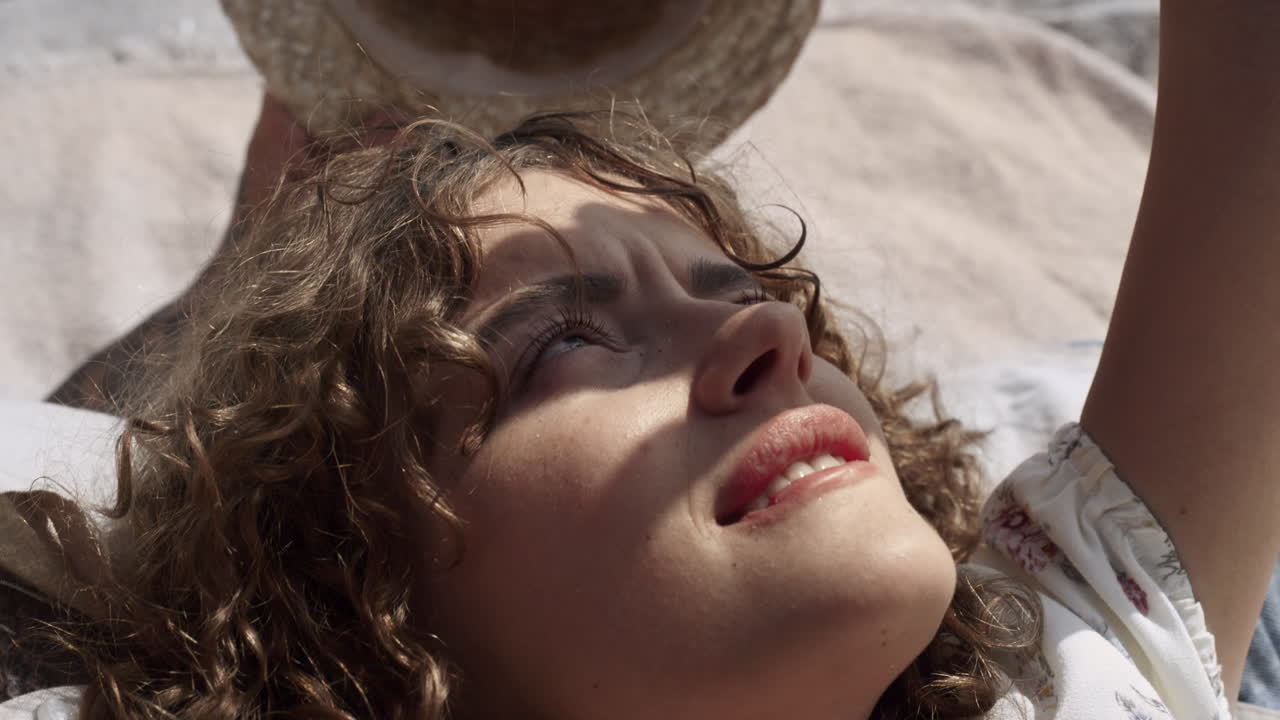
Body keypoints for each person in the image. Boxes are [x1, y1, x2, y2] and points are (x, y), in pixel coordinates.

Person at [6, 0, 1280, 717]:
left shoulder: (1059, 666)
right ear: (357, 604)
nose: (767, 336)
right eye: (562, 342)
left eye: (746, 289)